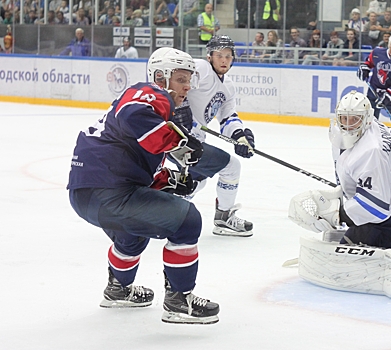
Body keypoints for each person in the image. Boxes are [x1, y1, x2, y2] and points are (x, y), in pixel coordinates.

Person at [67, 47, 220, 324]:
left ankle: (118, 290)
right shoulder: (151, 93)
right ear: (160, 77)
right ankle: (178, 301)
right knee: (187, 220)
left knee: (133, 233)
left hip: (86, 194)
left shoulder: (150, 116)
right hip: (109, 193)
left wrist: (170, 181)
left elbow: (133, 161)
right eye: (181, 79)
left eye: (189, 80)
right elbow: (133, 115)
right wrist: (181, 143)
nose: (187, 87)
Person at [288, 90, 391, 300]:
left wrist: (338, 215)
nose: (348, 124)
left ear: (366, 119)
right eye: (344, 118)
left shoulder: (370, 151)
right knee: (355, 235)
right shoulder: (374, 127)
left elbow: (376, 207)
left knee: (349, 254)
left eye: (354, 119)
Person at [175, 35, 256, 237]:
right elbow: (177, 81)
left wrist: (240, 136)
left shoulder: (228, 87)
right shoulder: (201, 68)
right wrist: (180, 110)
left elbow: (228, 117)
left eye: (228, 56)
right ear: (209, 56)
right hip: (178, 138)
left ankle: (163, 212)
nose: (224, 60)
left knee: (195, 181)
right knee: (231, 167)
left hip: (193, 142)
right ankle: (224, 218)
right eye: (219, 55)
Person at [357, 33, 391, 135]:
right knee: (369, 124)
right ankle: (368, 146)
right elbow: (368, 63)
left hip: (390, 96)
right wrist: (364, 69)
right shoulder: (377, 52)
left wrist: (388, 96)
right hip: (373, 94)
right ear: (389, 44)